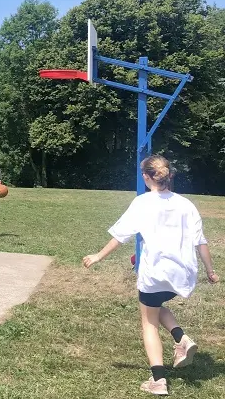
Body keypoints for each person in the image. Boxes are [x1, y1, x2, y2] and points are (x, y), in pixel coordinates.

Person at [83, 155, 219, 396]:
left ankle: (159, 380)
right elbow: (201, 241)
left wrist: (98, 256)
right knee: (155, 306)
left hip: (156, 272)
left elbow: (121, 235)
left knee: (149, 321)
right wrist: (210, 270)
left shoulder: (143, 203)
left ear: (146, 177)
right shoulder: (186, 204)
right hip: (183, 272)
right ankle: (180, 338)